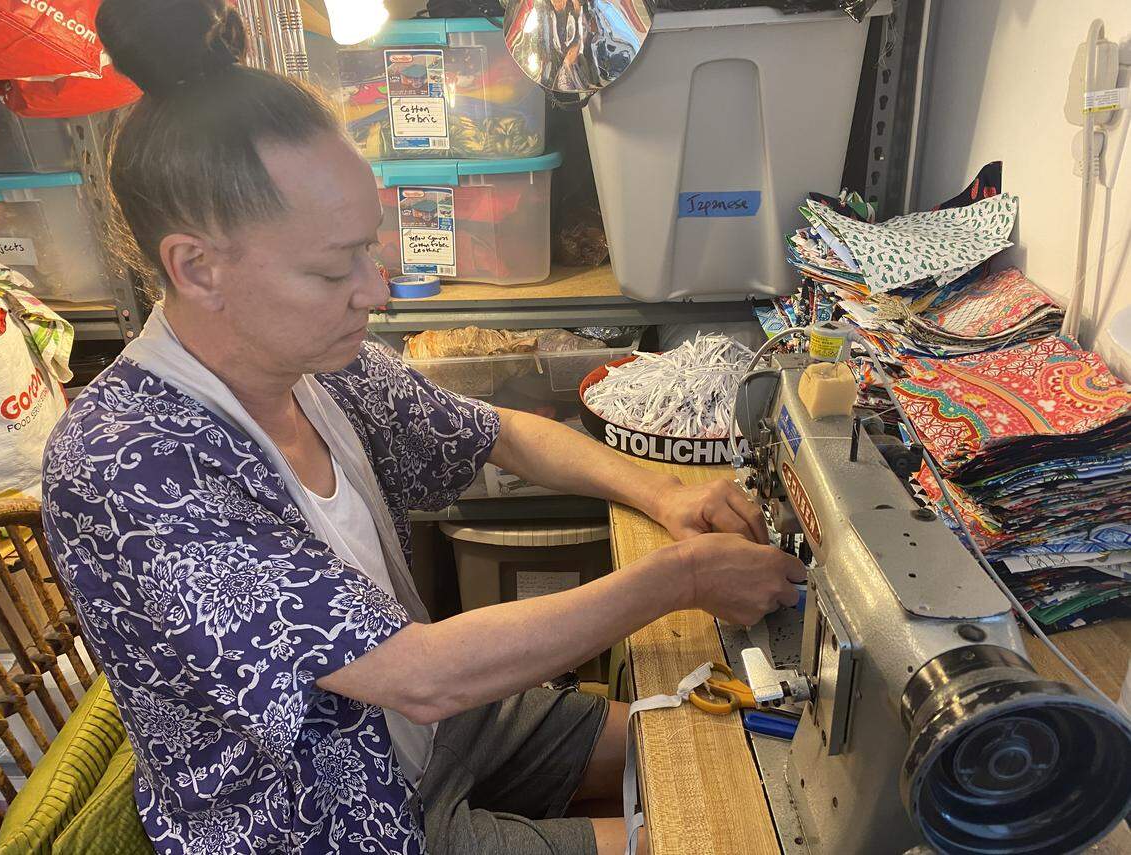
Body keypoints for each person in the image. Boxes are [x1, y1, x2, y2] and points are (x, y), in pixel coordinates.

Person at [40, 1, 806, 852]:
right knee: (699, 837)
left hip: (427, 733)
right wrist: (681, 577)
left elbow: (496, 433)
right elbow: (417, 672)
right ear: (196, 266)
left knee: (719, 748)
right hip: (322, 820)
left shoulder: (320, 363)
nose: (374, 290)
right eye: (336, 267)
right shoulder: (125, 464)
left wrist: (665, 493)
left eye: (371, 249)